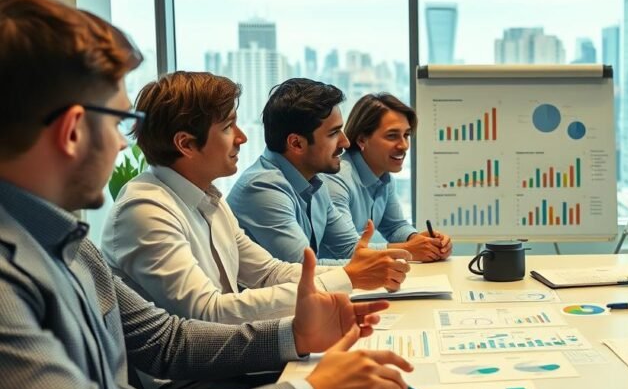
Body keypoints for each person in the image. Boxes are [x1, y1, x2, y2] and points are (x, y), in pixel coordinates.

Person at [0, 0, 413, 389]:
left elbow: (165, 340)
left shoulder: (72, 245)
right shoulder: (14, 275)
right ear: (72, 131)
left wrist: (296, 335)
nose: (121, 142)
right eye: (119, 122)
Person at [103, 71, 405, 327]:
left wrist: (355, 274)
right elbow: (207, 314)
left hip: (232, 354)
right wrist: (347, 278)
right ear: (186, 144)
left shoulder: (208, 199)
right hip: (198, 373)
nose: (242, 138)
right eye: (227, 127)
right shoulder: (145, 210)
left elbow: (268, 272)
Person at [228, 79, 411, 290]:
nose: (345, 142)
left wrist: (400, 254)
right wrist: (380, 263)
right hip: (268, 309)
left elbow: (349, 249)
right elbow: (304, 269)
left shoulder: (315, 182)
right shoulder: (262, 189)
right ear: (296, 143)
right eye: (333, 133)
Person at [323, 92, 452, 261]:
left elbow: (394, 226)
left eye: (406, 135)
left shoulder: (384, 175)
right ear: (361, 139)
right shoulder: (336, 179)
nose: (404, 145)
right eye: (392, 136)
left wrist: (420, 240)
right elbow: (348, 250)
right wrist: (409, 249)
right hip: (329, 274)